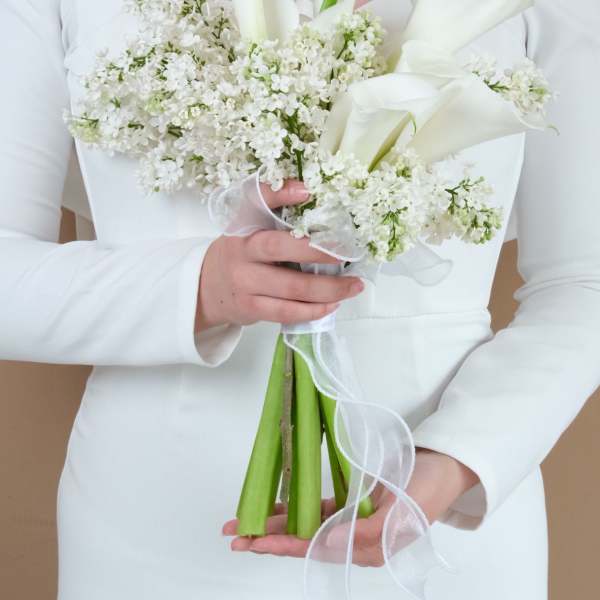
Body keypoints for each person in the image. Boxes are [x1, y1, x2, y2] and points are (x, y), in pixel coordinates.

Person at [0, 1, 598, 599]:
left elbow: (583, 283)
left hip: (442, 515)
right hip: (155, 518)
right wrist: (199, 285)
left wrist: (461, 456)